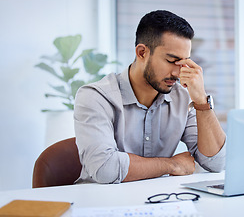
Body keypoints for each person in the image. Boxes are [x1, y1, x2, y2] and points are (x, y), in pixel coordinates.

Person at [74, 10, 226, 184]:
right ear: (142, 53)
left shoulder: (182, 98)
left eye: (184, 62)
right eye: (171, 60)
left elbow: (216, 163)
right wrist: (172, 165)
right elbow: (105, 169)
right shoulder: (96, 97)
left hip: (157, 202)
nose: (178, 72)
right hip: (101, 206)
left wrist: (201, 102)